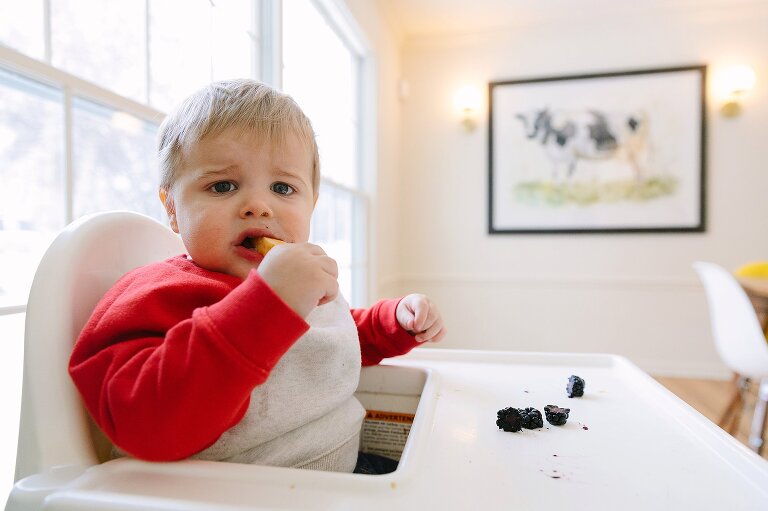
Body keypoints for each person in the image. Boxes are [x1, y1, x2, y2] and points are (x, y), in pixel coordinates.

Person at [68, 79, 446, 474]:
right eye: (223, 185)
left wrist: (394, 321)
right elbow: (144, 422)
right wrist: (269, 306)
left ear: (311, 206)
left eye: (283, 187)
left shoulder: (299, 282)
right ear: (173, 208)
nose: (258, 206)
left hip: (345, 481)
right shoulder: (154, 294)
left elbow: (323, 345)